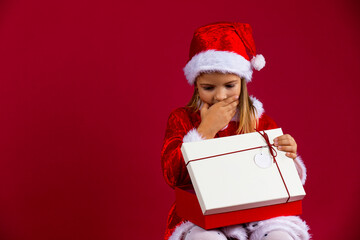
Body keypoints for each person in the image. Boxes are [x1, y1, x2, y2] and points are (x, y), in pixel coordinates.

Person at [161, 22, 310, 240]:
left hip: (257, 214)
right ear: (196, 84)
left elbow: (282, 180)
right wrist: (204, 131)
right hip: (203, 215)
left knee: (280, 236)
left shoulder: (259, 121)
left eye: (229, 86)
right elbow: (174, 176)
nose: (220, 96)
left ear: (242, 82)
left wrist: (289, 156)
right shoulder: (182, 119)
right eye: (209, 88)